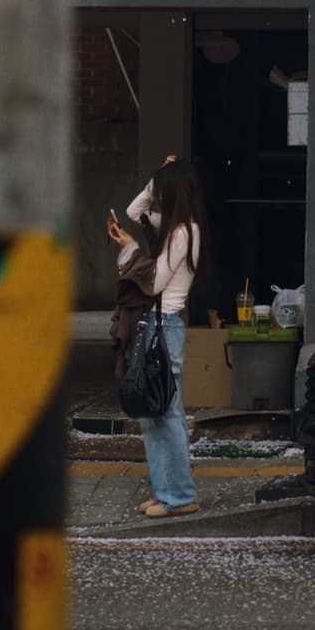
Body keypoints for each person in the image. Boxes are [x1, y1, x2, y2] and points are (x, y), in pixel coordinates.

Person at [106, 156, 207, 519]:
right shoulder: (175, 228)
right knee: (153, 413)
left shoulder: (183, 233)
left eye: (163, 191)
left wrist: (131, 248)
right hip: (156, 329)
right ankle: (165, 492)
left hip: (165, 329)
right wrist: (156, 177)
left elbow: (155, 283)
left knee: (166, 413)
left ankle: (179, 497)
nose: (158, 198)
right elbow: (136, 209)